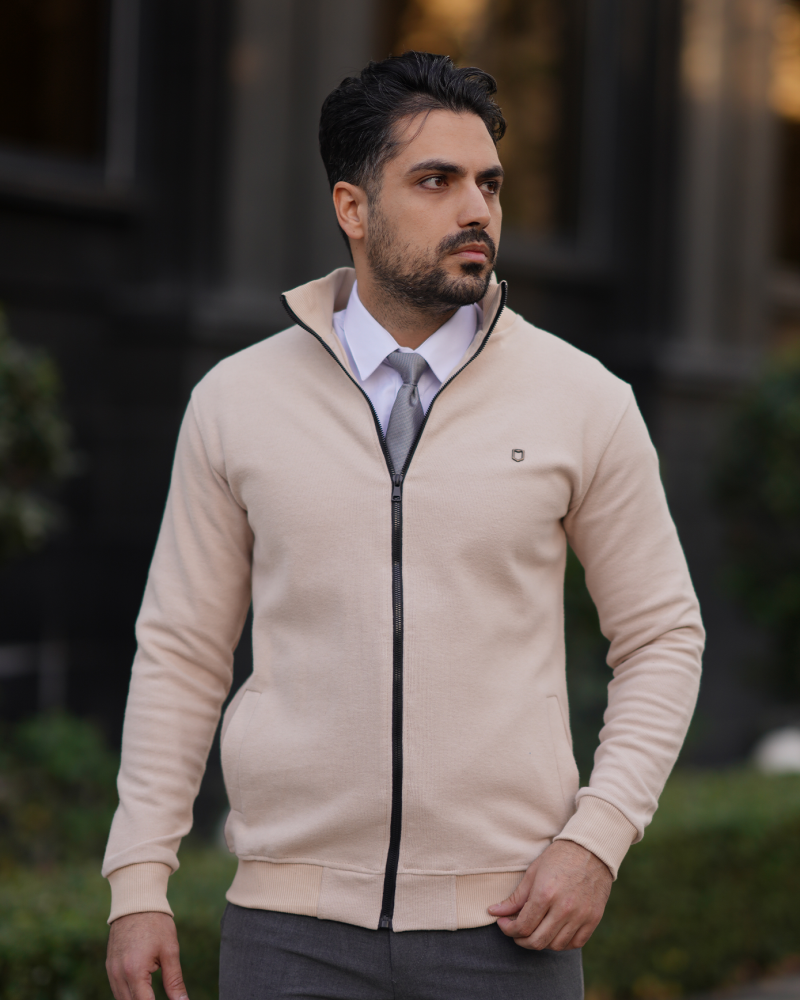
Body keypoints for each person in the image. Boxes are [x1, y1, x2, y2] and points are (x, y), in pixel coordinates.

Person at [103, 51, 704, 1000]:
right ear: (353, 206)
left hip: (509, 928)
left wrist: (598, 837)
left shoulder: (584, 400)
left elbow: (663, 635)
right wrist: (139, 880)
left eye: (489, 184)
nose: (476, 210)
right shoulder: (236, 400)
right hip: (290, 935)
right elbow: (182, 650)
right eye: (437, 181)